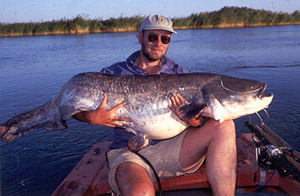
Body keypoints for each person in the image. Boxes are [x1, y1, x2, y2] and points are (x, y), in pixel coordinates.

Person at [74, 15, 237, 196]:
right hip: (130, 153)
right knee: (140, 193)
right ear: (140, 37)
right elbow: (70, 108)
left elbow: (200, 122)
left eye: (165, 38)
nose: (158, 43)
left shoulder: (180, 74)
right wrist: (90, 117)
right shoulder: (113, 74)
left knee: (225, 125)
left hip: (176, 148)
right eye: (153, 37)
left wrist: (191, 120)